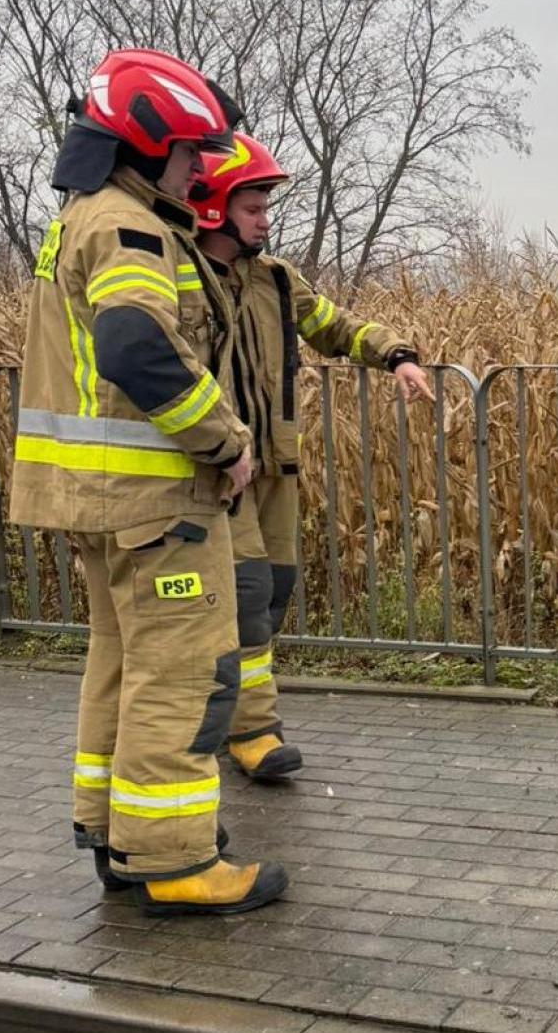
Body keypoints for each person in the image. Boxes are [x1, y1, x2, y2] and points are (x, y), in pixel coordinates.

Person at [8, 49, 287, 915]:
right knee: (184, 676)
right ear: (148, 142)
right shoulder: (130, 228)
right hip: (156, 507)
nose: (201, 166)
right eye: (192, 150)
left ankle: (114, 832)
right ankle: (173, 860)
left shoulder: (79, 217)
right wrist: (227, 438)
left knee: (120, 668)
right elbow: (137, 346)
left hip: (100, 504)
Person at [188, 133, 430, 781]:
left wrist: (396, 355)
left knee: (272, 598)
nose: (266, 217)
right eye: (253, 205)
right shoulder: (181, 280)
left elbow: (334, 324)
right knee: (244, 595)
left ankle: (228, 721)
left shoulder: (275, 280)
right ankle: (252, 732)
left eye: (266, 204)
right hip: (216, 472)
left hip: (275, 470)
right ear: (212, 205)